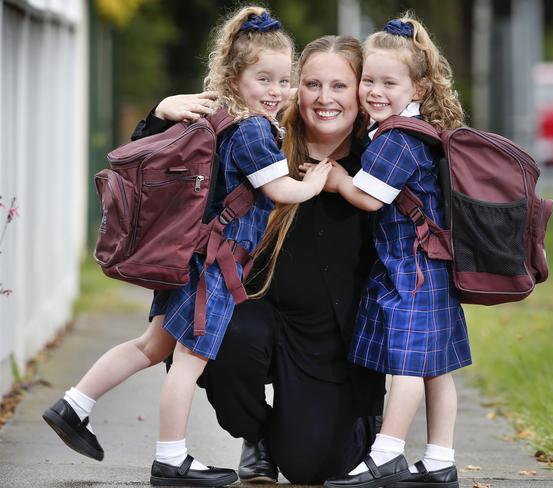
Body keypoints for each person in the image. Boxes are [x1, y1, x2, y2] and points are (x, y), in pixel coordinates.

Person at [42, 7, 332, 487]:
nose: (277, 91)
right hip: (215, 267)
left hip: (192, 256)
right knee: (187, 360)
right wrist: (317, 180)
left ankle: (73, 404)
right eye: (264, 79)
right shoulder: (255, 130)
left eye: (285, 80)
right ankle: (170, 458)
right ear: (236, 78)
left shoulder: (220, 120)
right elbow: (282, 192)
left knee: (152, 345)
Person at [137, 35, 386, 484]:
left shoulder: (380, 161)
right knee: (226, 334)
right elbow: (167, 172)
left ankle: (347, 420)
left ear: (360, 91)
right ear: (297, 88)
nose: (324, 98)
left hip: (334, 343)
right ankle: (255, 433)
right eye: (312, 84)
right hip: (258, 316)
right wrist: (159, 115)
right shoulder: (260, 141)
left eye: (339, 86)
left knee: (313, 469)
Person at [321, 14, 471, 488]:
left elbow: (368, 197)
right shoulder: (408, 129)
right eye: (369, 80)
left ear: (419, 89)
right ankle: (441, 458)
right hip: (428, 267)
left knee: (409, 362)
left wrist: (332, 175)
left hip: (414, 270)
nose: (374, 91)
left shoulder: (399, 138)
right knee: (435, 367)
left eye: (390, 82)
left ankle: (387, 453)